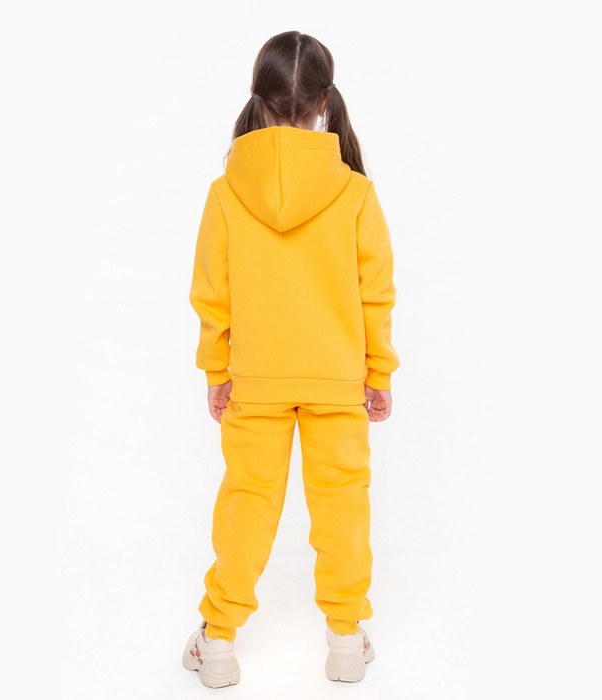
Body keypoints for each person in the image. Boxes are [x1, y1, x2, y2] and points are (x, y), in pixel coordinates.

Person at [183, 30, 399, 688]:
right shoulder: (355, 192)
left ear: (260, 98)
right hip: (338, 378)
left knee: (246, 503)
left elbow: (212, 292)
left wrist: (217, 370)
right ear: (324, 102)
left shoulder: (226, 191)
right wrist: (378, 372)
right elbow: (375, 294)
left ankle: (218, 641)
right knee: (342, 505)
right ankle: (345, 638)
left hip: (256, 380)